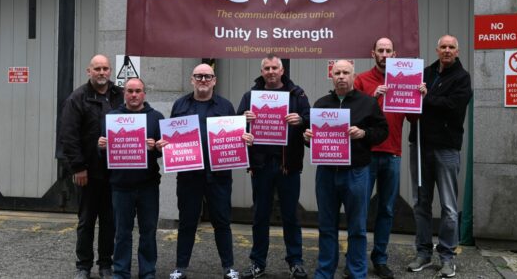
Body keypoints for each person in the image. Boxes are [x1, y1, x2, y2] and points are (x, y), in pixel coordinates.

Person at [159, 64, 253, 279]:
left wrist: (245, 139)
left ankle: (228, 267)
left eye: (207, 76)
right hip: (189, 176)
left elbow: (237, 135)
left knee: (222, 222)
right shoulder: (180, 104)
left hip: (218, 176)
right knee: (187, 222)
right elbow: (173, 135)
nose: (203, 80)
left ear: (214, 80)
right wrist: (167, 143)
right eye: (199, 76)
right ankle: (180, 268)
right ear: (192, 79)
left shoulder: (226, 106)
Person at [304, 60, 389, 279]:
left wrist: (364, 133)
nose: (341, 76)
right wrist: (307, 138)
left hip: (356, 172)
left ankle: (356, 272)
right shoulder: (321, 104)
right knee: (326, 225)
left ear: (353, 76)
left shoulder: (368, 103)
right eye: (337, 73)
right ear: (331, 77)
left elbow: (382, 131)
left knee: (357, 227)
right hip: (327, 172)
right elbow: (313, 138)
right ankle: (324, 272)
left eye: (346, 73)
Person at [353, 38, 425, 279]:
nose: (384, 54)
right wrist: (372, 97)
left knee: (386, 210)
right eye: (380, 50)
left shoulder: (405, 79)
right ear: (373, 53)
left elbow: (414, 120)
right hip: (366, 154)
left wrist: (419, 97)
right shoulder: (361, 80)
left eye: (388, 51)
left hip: (393, 153)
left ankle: (380, 259)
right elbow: (353, 116)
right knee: (360, 210)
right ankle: (356, 260)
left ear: (395, 53)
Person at [237, 54, 310, 279]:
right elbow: (235, 127)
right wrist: (243, 119)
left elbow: (310, 122)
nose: (270, 71)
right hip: (260, 165)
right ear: (262, 72)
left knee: (291, 216)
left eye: (274, 68)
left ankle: (295, 261)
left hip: (287, 165)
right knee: (260, 215)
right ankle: (258, 263)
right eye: (266, 68)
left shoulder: (298, 95)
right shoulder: (250, 96)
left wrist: (301, 120)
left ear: (282, 71)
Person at [407, 35, 472, 278]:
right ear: (437, 50)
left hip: (446, 149)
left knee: (449, 207)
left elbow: (453, 106)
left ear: (457, 51)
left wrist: (427, 98)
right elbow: (412, 105)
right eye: (443, 47)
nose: (447, 50)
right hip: (420, 146)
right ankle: (423, 253)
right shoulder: (424, 73)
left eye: (451, 47)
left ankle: (447, 257)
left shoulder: (462, 78)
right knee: (420, 203)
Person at [60, 54, 123, 279]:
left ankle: (106, 264)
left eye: (105, 68)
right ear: (89, 71)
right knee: (87, 220)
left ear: (110, 71)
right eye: (97, 68)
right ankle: (83, 266)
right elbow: (69, 136)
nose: (102, 72)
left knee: (110, 221)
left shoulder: (120, 95)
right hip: (88, 172)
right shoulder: (77, 98)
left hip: (115, 172)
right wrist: (77, 167)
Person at [98, 78, 164, 279]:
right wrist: (101, 146)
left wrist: (157, 147)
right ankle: (121, 272)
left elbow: (164, 151)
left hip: (148, 185)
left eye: (138, 91)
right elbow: (105, 154)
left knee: (148, 232)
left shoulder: (156, 117)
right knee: (122, 234)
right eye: (130, 91)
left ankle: (148, 272)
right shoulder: (112, 117)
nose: (134, 95)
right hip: (120, 186)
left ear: (144, 93)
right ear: (124, 93)